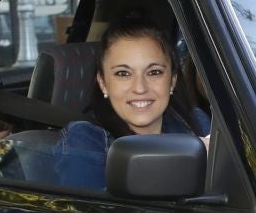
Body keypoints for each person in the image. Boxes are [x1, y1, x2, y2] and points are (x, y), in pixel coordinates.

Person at [51, 15, 208, 190]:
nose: (140, 88)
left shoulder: (198, 123)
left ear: (172, 80)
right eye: (123, 74)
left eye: (154, 72)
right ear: (103, 83)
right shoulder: (85, 139)